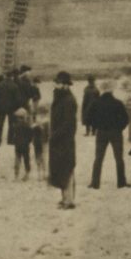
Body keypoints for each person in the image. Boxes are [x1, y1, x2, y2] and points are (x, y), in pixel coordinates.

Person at [88, 84, 131, 188]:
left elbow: (89, 117)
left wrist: (96, 126)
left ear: (102, 90)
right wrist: (120, 127)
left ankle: (95, 183)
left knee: (98, 158)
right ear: (112, 90)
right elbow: (126, 118)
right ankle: (121, 182)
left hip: (101, 132)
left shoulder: (96, 103)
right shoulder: (117, 103)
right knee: (119, 158)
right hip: (116, 132)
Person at [49, 72, 78, 209]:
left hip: (64, 141)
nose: (55, 85)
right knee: (62, 170)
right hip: (59, 140)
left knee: (67, 170)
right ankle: (65, 198)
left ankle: (69, 200)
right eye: (56, 82)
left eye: (58, 83)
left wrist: (54, 135)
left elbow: (68, 124)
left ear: (65, 85)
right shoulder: (61, 97)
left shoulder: (68, 101)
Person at [8, 108, 33, 179]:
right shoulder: (27, 126)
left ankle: (16, 175)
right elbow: (31, 136)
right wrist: (28, 141)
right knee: (26, 159)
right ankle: (27, 174)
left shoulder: (15, 126)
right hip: (25, 145)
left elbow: (14, 136)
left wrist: (15, 141)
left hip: (18, 145)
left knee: (17, 160)